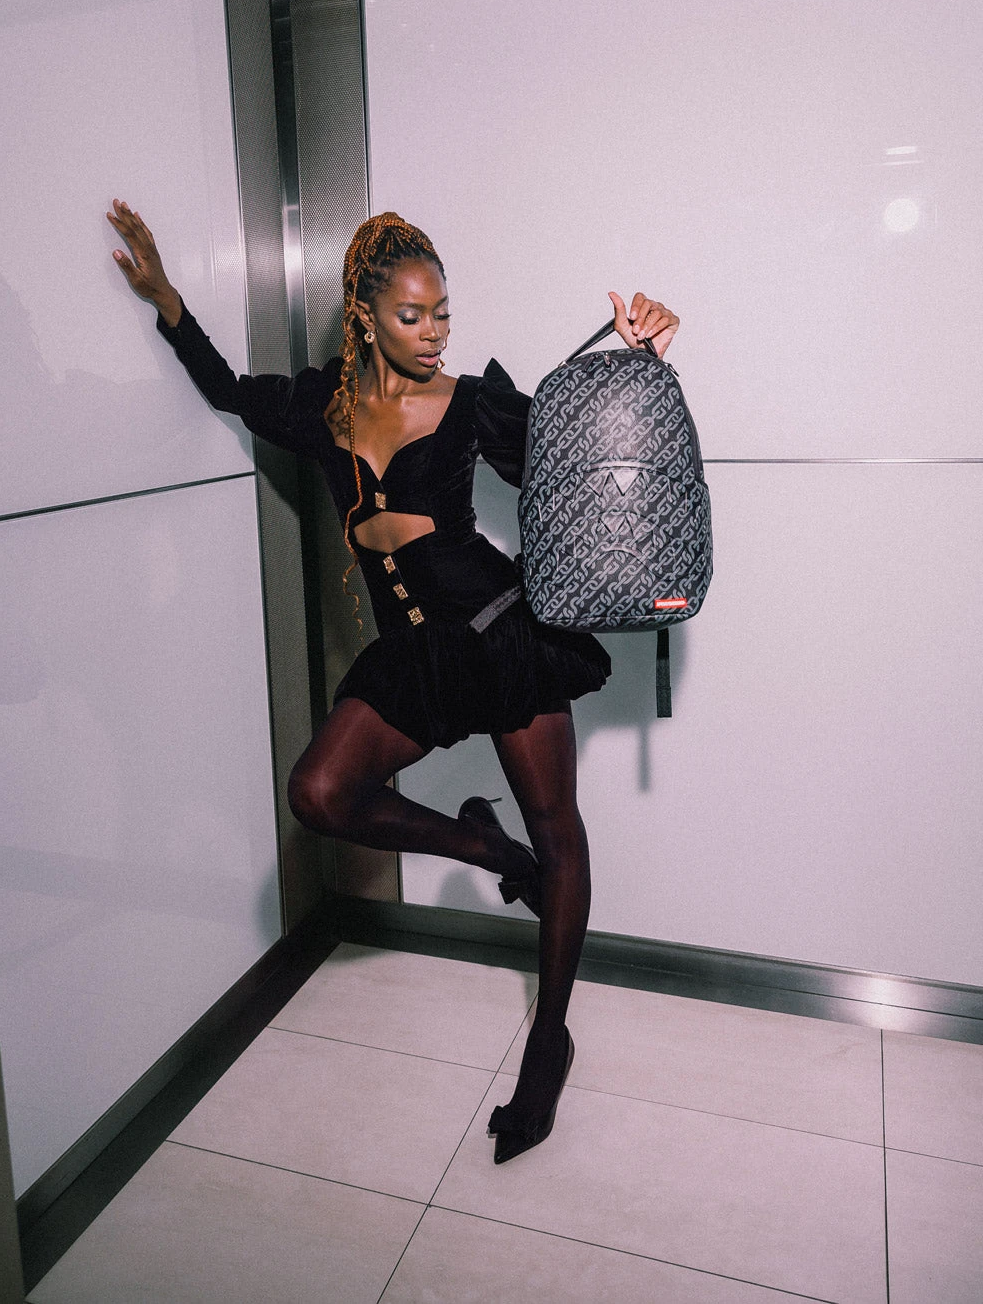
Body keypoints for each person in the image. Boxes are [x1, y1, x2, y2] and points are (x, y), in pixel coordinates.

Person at [106, 199, 679, 1163]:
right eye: (413, 315)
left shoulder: (470, 404)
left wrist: (640, 362)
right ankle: (485, 848)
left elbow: (588, 455)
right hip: (414, 654)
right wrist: (167, 300)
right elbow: (230, 391)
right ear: (366, 316)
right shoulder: (324, 409)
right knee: (321, 792)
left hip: (499, 631)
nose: (435, 332)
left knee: (558, 829)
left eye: (443, 312)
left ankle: (550, 1036)